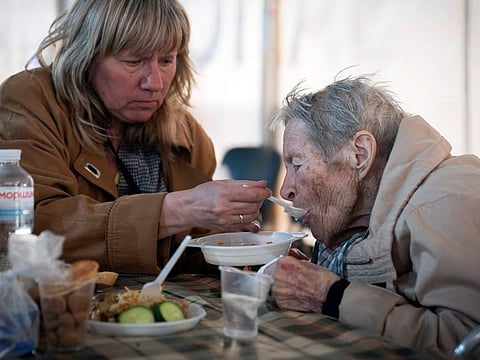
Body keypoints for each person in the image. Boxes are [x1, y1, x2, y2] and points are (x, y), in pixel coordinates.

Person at [0, 0, 271, 275]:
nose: (154, 82)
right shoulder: (30, 102)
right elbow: (30, 229)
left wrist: (248, 253)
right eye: (134, 61)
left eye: (166, 60)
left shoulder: (187, 137)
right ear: (86, 57)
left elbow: (186, 256)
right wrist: (178, 209)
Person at [268, 75, 480, 360]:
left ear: (360, 154)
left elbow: (465, 345)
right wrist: (318, 277)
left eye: (297, 164)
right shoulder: (380, 206)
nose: (286, 189)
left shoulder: (443, 205)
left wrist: (331, 294)